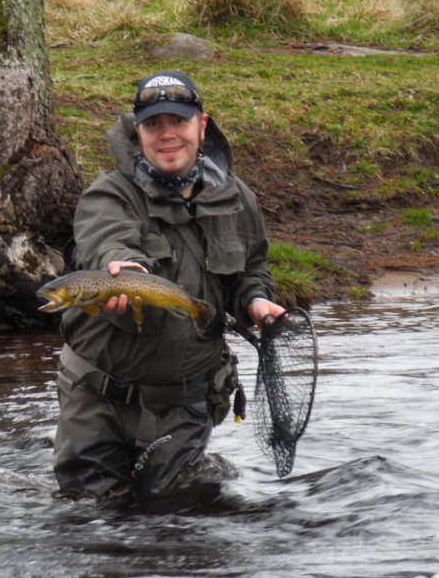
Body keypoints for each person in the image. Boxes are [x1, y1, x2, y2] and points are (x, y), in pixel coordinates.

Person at [51, 71, 286, 507]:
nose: (167, 135)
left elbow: (251, 268)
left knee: (175, 515)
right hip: (99, 399)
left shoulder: (238, 200)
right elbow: (105, 242)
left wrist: (256, 300)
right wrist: (122, 267)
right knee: (90, 519)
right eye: (154, 124)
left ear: (202, 125)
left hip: (185, 401)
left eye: (177, 122)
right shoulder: (108, 195)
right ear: (137, 130)